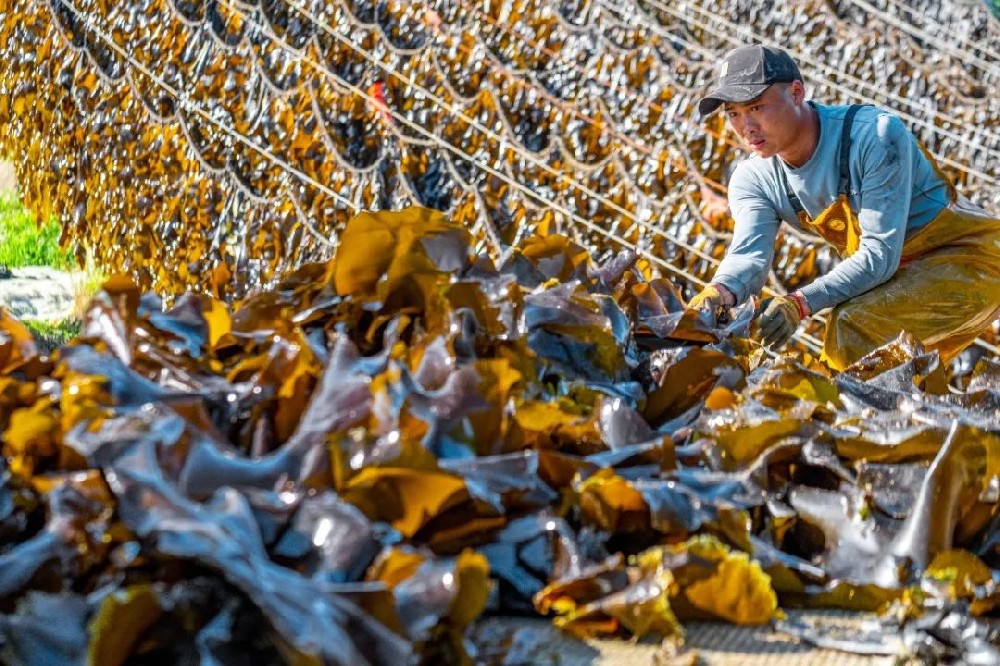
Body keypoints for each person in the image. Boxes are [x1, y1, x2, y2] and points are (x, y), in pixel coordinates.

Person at [688, 43, 1000, 370]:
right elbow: (748, 257)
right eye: (733, 114)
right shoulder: (754, 178)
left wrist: (800, 303)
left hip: (975, 260)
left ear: (796, 93)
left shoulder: (875, 136)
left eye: (755, 107)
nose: (746, 127)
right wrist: (718, 293)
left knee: (852, 325)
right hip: (895, 278)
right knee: (895, 366)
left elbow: (879, 254)